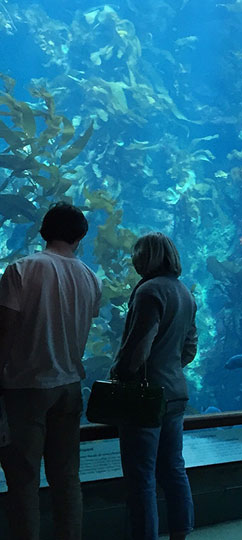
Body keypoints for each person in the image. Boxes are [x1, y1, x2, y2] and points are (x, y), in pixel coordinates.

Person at [0, 202, 102, 540]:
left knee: (23, 480)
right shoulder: (90, 277)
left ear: (44, 230)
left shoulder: (22, 270)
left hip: (26, 387)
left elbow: (4, 333)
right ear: (79, 237)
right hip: (70, 386)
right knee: (67, 477)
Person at [109, 233, 198, 540]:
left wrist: (120, 372)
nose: (133, 260)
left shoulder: (149, 291)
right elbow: (189, 349)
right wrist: (169, 366)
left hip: (145, 397)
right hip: (175, 393)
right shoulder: (185, 293)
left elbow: (138, 348)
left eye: (137, 254)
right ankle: (181, 533)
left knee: (141, 477)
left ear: (147, 257)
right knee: (173, 468)